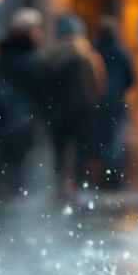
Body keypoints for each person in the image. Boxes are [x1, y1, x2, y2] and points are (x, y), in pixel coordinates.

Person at [39, 15, 104, 201]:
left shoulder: (49, 56)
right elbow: (98, 85)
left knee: (59, 150)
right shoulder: (89, 55)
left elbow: (44, 87)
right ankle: (78, 186)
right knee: (81, 150)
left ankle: (60, 186)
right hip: (82, 110)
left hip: (57, 110)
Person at [0, 8, 44, 200]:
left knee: (5, 156)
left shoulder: (4, 56)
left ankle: (3, 190)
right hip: (19, 115)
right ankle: (12, 191)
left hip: (6, 113)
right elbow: (36, 88)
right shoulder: (29, 59)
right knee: (16, 158)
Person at [92, 17, 136, 189]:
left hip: (97, 102)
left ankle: (98, 176)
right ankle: (112, 178)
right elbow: (130, 79)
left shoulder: (93, 50)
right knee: (114, 141)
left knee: (100, 138)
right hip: (116, 102)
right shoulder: (121, 52)